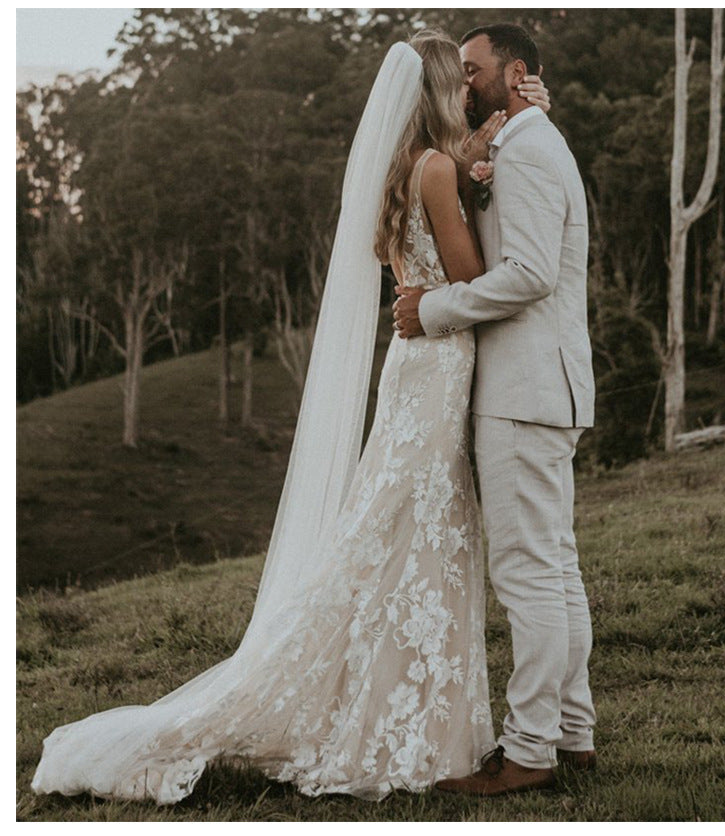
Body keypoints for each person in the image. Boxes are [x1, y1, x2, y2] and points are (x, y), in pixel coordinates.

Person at [30, 32, 551, 805]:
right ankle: (407, 723)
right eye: (463, 82)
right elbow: (470, 276)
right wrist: (488, 183)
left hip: (415, 370)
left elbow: (434, 233)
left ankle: (410, 713)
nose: (471, 92)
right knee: (419, 531)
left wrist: (486, 151)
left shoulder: (409, 166)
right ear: (443, 89)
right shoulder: (439, 169)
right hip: (437, 367)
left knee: (406, 531)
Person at [393, 23, 597, 796]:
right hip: (542, 387)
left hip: (523, 390)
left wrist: (435, 307)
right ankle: (572, 735)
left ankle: (529, 753)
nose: (465, 81)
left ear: (514, 72)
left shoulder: (535, 151)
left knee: (528, 577)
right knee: (556, 570)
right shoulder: (525, 140)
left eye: (474, 70)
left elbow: (530, 273)